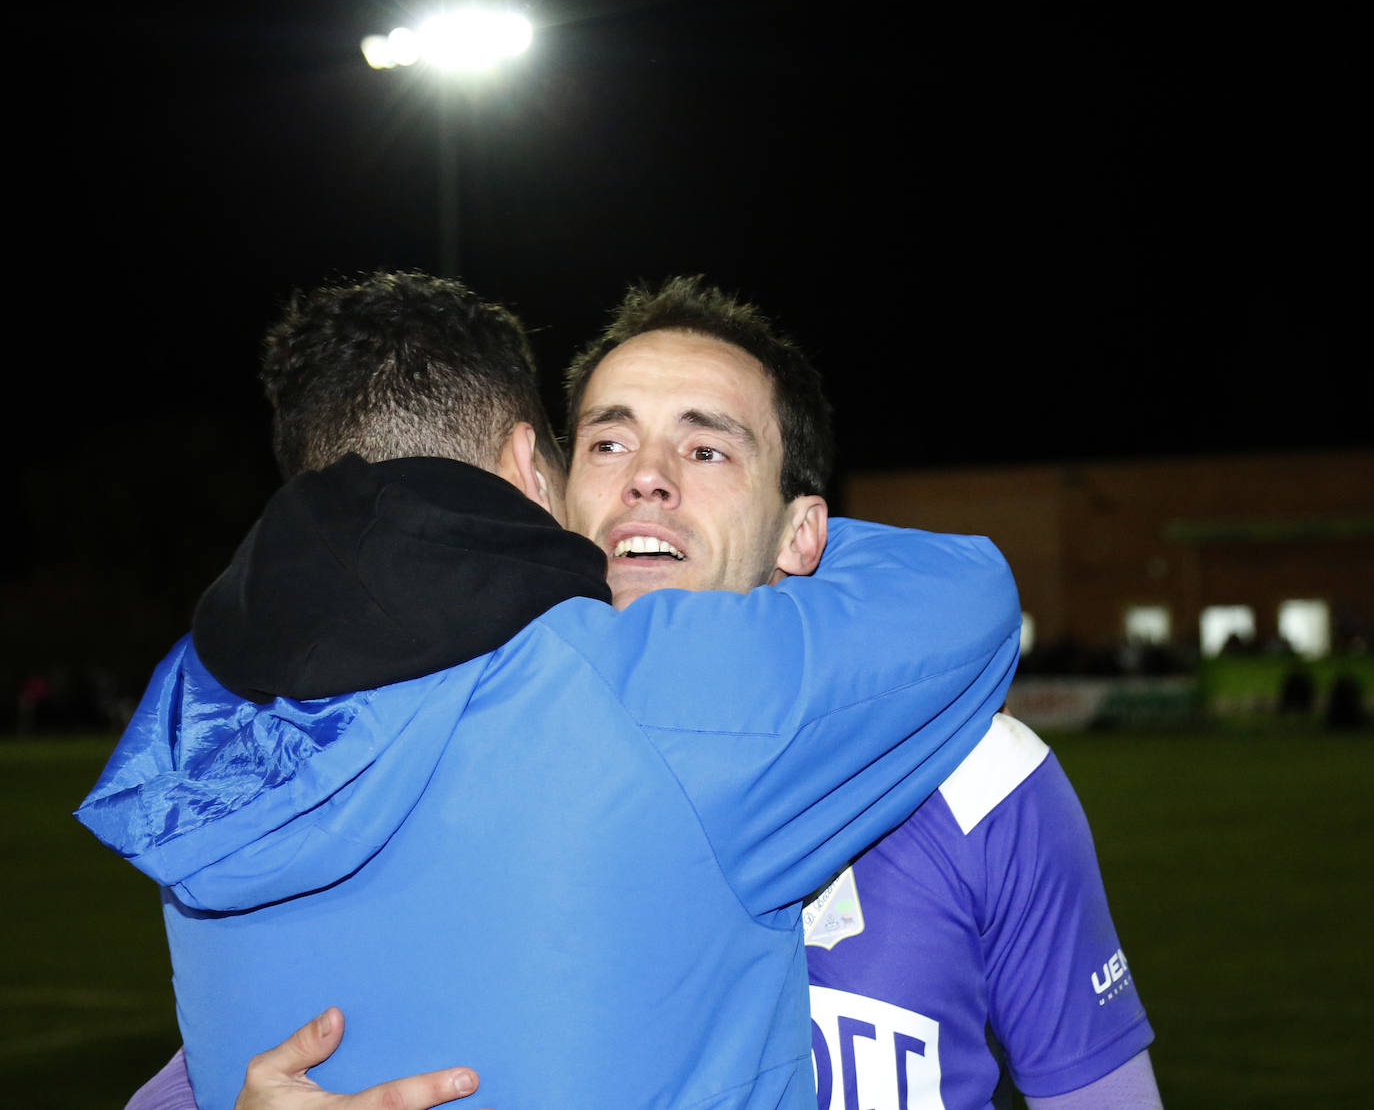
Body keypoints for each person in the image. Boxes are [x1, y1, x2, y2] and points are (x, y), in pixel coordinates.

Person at [130, 276, 1157, 1110]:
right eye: (608, 442)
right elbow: (235, 1054)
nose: (648, 478)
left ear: (807, 532)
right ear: (544, 489)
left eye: (707, 448)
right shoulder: (419, 748)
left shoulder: (985, 778)